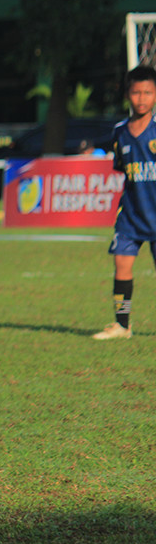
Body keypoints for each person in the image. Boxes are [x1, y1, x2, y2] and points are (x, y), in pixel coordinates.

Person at [92, 65, 156, 340]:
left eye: (148, 92)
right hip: (131, 214)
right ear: (127, 95)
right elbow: (123, 170)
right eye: (136, 92)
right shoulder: (119, 132)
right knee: (122, 265)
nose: (141, 98)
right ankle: (122, 325)